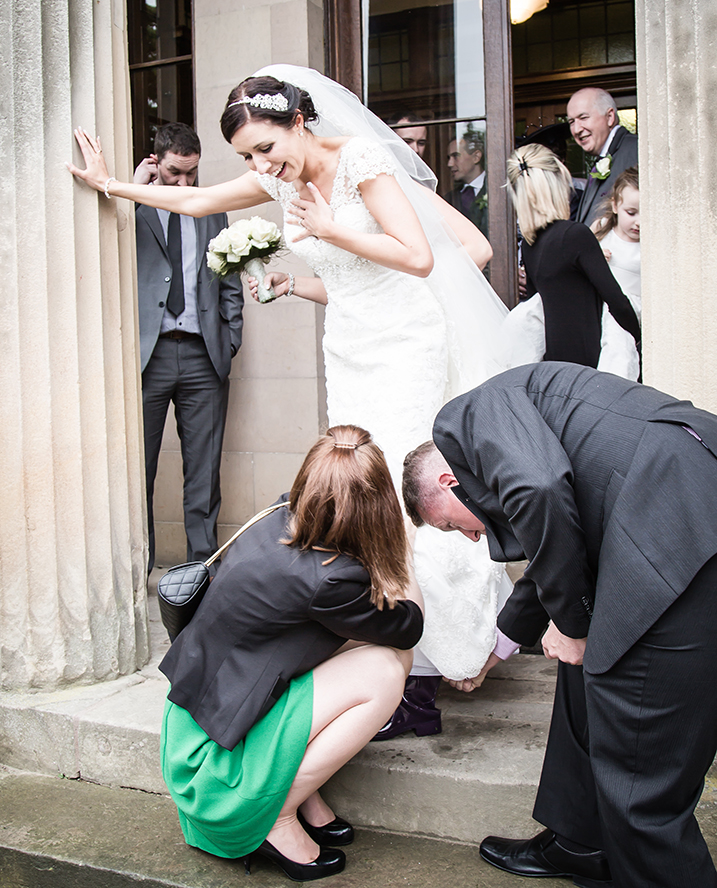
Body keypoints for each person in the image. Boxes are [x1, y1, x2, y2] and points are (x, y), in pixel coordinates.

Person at [66, 64, 512, 734]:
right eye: (247, 156)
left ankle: (432, 668)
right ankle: (395, 653)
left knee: (397, 489)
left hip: (403, 343)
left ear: (299, 122)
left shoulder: (360, 161)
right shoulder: (277, 175)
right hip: (350, 345)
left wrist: (329, 230)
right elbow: (197, 201)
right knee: (361, 496)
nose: (260, 166)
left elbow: (417, 257)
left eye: (265, 148)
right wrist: (111, 185)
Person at [403, 362, 717, 888]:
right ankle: (580, 842)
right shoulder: (524, 418)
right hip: (678, 504)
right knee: (583, 665)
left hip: (672, 522)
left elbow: (543, 490)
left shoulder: (466, 419)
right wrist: (499, 648)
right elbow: (554, 550)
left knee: (640, 785)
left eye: (452, 526)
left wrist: (572, 625)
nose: (474, 540)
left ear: (448, 481)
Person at [160, 424, 424, 881]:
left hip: (196, 731)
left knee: (363, 648)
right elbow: (408, 628)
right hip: (212, 775)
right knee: (387, 667)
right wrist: (402, 552)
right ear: (377, 503)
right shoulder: (328, 580)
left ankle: (302, 796)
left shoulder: (277, 513)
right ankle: (273, 817)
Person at [133, 122, 244, 571]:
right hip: (147, 358)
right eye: (175, 174)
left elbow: (231, 277)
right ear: (156, 162)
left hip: (204, 356)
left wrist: (230, 337)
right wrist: (128, 192)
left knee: (204, 475)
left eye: (191, 174)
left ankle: (202, 575)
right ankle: (138, 575)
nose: (184, 184)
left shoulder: (212, 209)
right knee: (138, 473)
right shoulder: (136, 205)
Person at [508, 143, 640, 370]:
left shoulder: (531, 245)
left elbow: (536, 314)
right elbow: (617, 303)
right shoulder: (575, 236)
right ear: (558, 183)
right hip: (591, 366)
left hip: (556, 367)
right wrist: (641, 339)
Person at [567, 87, 638, 226]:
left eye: (583, 118)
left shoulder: (636, 151)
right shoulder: (602, 157)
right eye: (571, 122)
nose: (576, 130)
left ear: (610, 117)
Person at [592, 166, 641, 303]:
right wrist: (593, 258)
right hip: (597, 305)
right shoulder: (601, 227)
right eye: (631, 213)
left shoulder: (650, 245)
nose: (639, 222)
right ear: (615, 206)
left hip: (630, 311)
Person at [445, 127, 488, 237]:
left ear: (476, 157)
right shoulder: (448, 199)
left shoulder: (495, 190)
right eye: (448, 158)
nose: (450, 164)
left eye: (455, 156)